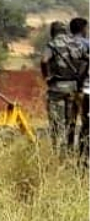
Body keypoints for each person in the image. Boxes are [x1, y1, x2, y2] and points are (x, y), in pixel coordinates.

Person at [39, 19, 87, 153]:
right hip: (74, 89)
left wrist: (47, 77)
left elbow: (44, 60)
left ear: (53, 32)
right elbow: (86, 59)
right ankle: (71, 151)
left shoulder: (52, 44)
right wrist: (80, 79)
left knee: (57, 124)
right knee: (71, 123)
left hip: (57, 89)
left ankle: (59, 155)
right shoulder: (76, 43)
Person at [70, 17, 90, 161]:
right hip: (86, 89)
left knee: (70, 121)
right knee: (86, 123)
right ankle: (84, 156)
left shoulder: (66, 44)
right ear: (83, 29)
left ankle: (68, 152)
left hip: (68, 89)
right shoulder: (88, 44)